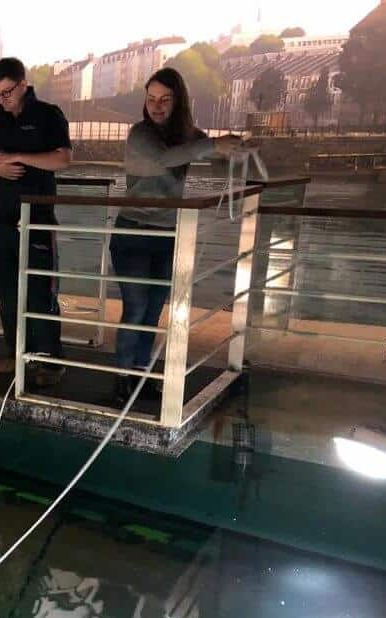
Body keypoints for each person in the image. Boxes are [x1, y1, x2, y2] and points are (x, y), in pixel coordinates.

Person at [111, 67, 242, 404]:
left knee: (153, 308)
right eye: (151, 99)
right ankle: (124, 376)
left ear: (178, 101)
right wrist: (212, 145)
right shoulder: (139, 135)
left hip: (167, 232)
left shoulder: (189, 136)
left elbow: (211, 156)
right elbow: (165, 159)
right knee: (136, 307)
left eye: (164, 100)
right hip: (134, 232)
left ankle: (142, 374)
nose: (156, 106)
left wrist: (235, 149)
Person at [0, 57, 72, 386]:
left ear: (23, 84)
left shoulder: (48, 115)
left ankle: (49, 362)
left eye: (6, 92)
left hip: (37, 217)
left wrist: (19, 158)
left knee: (40, 291)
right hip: (1, 217)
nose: (2, 99)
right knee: (6, 289)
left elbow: (63, 159)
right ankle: (16, 353)